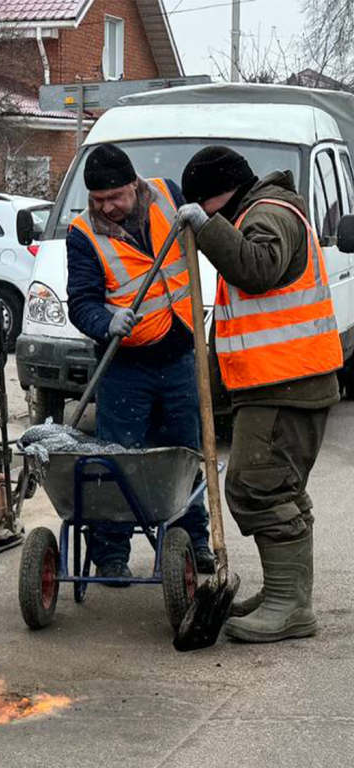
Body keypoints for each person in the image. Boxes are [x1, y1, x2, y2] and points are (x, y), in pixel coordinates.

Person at [177, 146, 342, 643]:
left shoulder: (268, 214)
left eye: (205, 208)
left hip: (285, 382)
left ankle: (289, 606)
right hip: (280, 380)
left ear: (217, 196)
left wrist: (207, 231)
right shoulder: (261, 210)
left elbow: (256, 268)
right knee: (278, 488)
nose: (206, 217)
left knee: (256, 486)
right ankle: (284, 594)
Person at [66, 143, 214, 583]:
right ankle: (111, 554)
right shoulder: (83, 235)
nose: (107, 207)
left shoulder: (170, 197)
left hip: (181, 356)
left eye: (115, 197)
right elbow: (82, 303)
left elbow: (208, 238)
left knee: (184, 453)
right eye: (98, 200)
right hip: (125, 366)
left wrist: (203, 222)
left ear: (134, 184)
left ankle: (194, 543)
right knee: (118, 460)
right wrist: (106, 320)